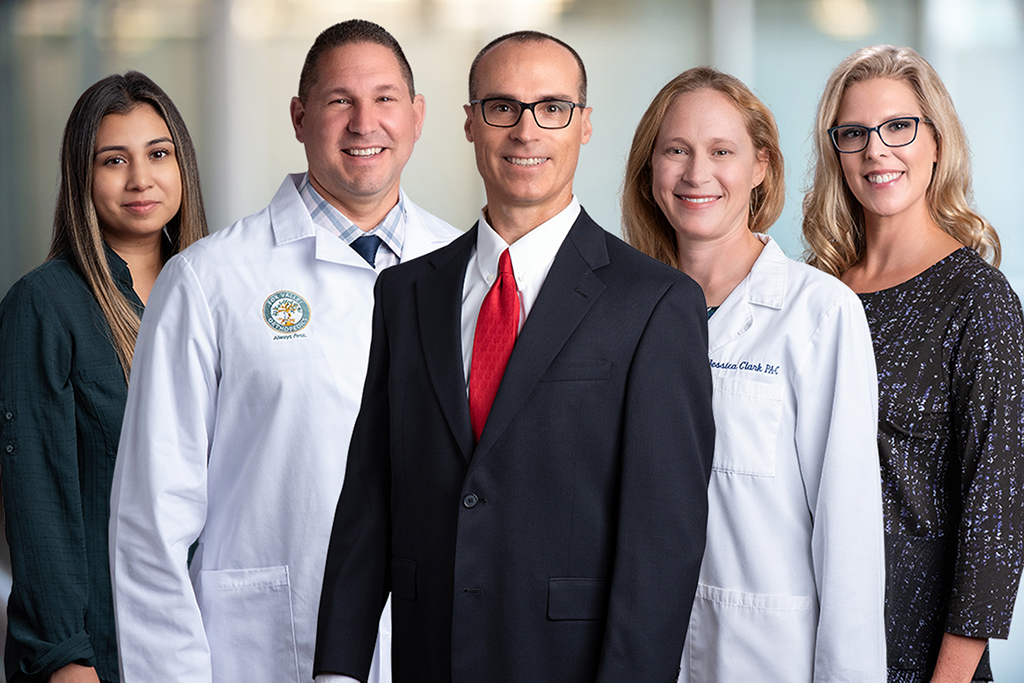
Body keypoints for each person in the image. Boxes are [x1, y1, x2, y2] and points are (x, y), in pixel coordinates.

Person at [312, 30, 715, 683]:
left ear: (584, 126)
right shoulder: (406, 292)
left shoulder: (654, 302)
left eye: (552, 108)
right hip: (429, 657)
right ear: (470, 123)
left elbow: (662, 543)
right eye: (502, 108)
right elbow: (370, 500)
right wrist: (337, 669)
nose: (526, 131)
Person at [108, 20, 460, 683]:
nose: (364, 123)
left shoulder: (469, 274)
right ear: (300, 117)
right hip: (263, 651)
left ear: (416, 117)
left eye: (385, 99)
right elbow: (149, 524)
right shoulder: (209, 280)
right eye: (338, 101)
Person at [622, 66, 886, 682]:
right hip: (644, 651)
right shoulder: (623, 311)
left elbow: (848, 540)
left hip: (766, 657)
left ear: (760, 166)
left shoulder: (819, 314)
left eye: (722, 151)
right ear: (649, 170)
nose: (696, 174)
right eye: (676, 151)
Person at [803, 45, 1024, 683]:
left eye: (898, 126)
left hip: (921, 656)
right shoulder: (816, 294)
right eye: (854, 134)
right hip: (809, 636)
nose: (876, 150)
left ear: (936, 142)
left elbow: (996, 512)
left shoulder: (978, 300)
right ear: (836, 152)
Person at [0, 71, 207, 683]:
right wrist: (66, 658)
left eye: (159, 154)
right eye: (113, 160)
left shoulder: (216, 291)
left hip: (205, 635)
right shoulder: (44, 305)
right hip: (102, 648)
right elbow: (37, 500)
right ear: (81, 178)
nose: (140, 179)